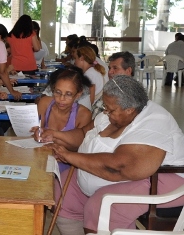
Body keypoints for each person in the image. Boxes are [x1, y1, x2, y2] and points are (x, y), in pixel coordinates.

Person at [35, 75, 184, 234]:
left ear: (130, 110)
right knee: (62, 190)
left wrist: (71, 157)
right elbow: (84, 133)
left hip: (162, 179)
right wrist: (55, 135)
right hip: (114, 173)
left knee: (104, 205)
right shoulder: (112, 113)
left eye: (110, 109)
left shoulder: (154, 122)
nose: (105, 112)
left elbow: (121, 167)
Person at [34, 67, 92, 172]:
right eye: (57, 92)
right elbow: (36, 131)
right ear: (52, 90)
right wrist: (36, 133)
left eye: (68, 94)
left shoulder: (83, 114)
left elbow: (79, 147)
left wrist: (53, 139)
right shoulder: (45, 103)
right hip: (41, 158)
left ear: (78, 94)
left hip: (66, 165)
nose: (61, 98)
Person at [91, 51, 136, 118]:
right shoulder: (114, 88)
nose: (110, 72)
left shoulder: (130, 95)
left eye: (115, 68)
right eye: (109, 68)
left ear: (128, 71)